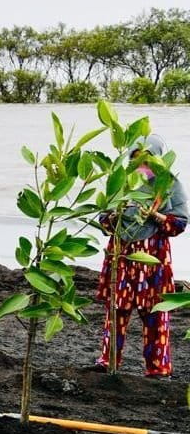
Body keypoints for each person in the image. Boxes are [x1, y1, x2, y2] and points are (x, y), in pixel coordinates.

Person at [91, 134, 187, 378]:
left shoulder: (170, 185)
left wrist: (157, 217)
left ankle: (158, 368)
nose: (142, 165)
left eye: (147, 159)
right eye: (136, 159)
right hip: (122, 256)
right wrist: (113, 218)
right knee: (116, 310)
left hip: (153, 257)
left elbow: (180, 223)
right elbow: (103, 217)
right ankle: (108, 360)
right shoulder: (121, 181)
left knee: (155, 312)